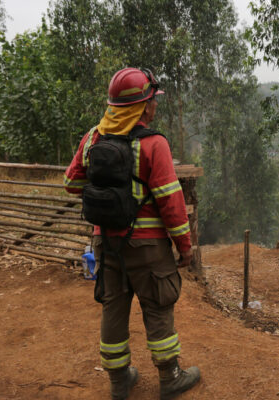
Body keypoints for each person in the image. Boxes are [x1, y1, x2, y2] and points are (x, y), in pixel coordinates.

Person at [64, 67, 200, 400]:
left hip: (105, 243)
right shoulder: (153, 144)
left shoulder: (93, 138)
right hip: (148, 247)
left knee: (113, 306)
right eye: (152, 100)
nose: (155, 106)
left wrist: (107, 194)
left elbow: (71, 183)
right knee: (157, 305)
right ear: (142, 106)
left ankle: (119, 381)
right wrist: (185, 247)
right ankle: (170, 377)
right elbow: (171, 202)